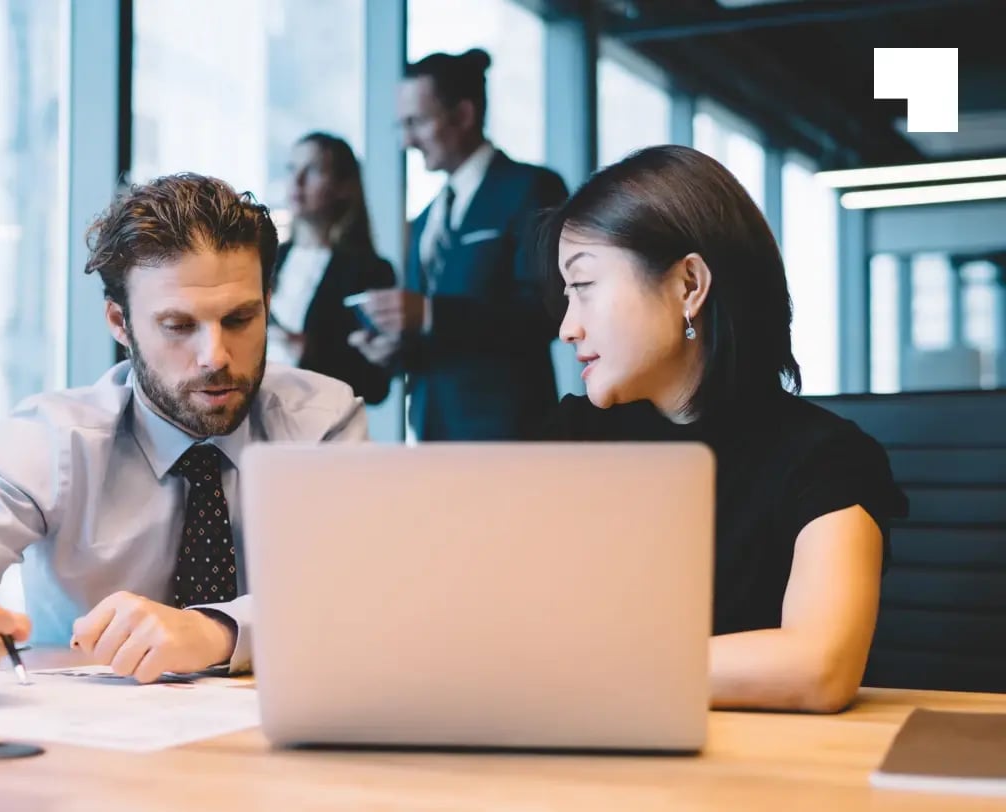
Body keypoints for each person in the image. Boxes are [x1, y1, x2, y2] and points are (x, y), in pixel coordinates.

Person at [0, 173, 367, 695]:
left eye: (239, 318)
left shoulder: (320, 422)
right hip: (88, 754)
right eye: (178, 326)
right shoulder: (51, 439)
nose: (216, 356)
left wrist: (214, 630)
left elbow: (360, 593)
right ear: (120, 323)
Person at [539, 145, 908, 713]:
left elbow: (818, 665)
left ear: (689, 285)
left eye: (583, 286)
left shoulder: (826, 460)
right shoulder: (571, 439)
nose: (567, 327)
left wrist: (580, 668)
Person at [350, 48, 568, 440]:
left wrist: (431, 314)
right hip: (433, 430)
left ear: (463, 115)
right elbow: (437, 336)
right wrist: (396, 349)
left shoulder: (530, 188)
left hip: (509, 434)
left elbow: (546, 310)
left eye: (416, 122)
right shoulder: (428, 216)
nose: (407, 141)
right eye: (401, 125)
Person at [268, 132, 396, 404]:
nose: (296, 181)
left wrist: (309, 351)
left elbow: (374, 386)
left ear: (343, 187)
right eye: (291, 168)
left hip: (321, 428)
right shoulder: (265, 260)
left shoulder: (369, 271)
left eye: (312, 170)